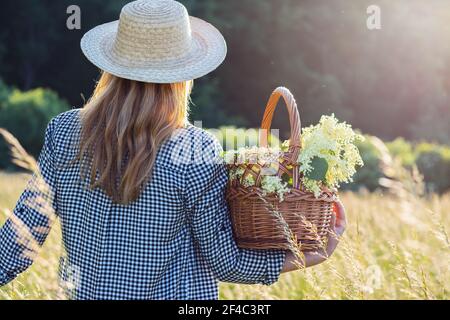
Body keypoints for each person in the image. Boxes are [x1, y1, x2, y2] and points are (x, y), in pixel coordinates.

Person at [0, 0, 346, 300]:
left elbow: (21, 236)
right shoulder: (195, 151)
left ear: (113, 65)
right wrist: (315, 253)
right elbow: (225, 262)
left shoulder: (64, 131)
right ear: (182, 77)